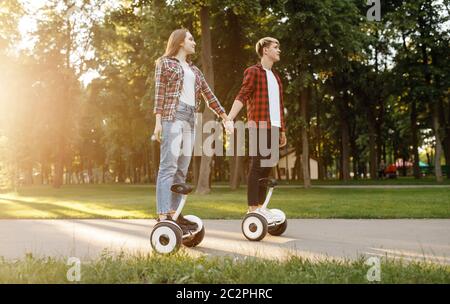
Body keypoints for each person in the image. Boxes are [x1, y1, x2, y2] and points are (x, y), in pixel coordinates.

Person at [152, 29, 233, 231]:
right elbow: (159, 95)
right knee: (168, 167)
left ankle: (174, 214)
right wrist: (158, 122)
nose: (194, 42)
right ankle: (163, 216)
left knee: (181, 169)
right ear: (180, 42)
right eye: (190, 39)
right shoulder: (165, 63)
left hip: (190, 119)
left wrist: (224, 117)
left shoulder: (195, 71)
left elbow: (209, 95)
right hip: (173, 116)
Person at [227, 37, 287, 222]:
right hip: (259, 125)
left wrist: (282, 130)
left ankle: (261, 207)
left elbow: (279, 105)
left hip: (274, 126)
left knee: (267, 167)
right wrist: (229, 117)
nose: (279, 50)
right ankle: (252, 208)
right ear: (265, 50)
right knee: (257, 165)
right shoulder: (253, 72)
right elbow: (243, 94)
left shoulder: (276, 77)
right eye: (275, 47)